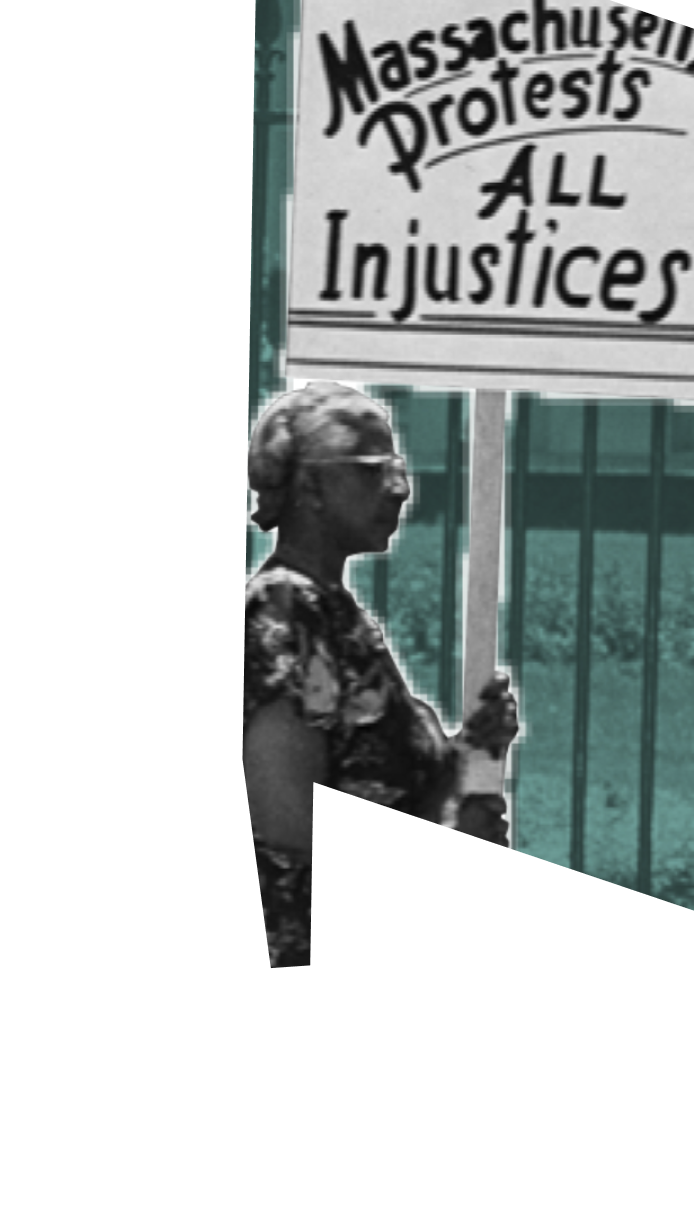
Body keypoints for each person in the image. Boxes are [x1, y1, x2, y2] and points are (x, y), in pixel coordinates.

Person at [244, 383, 518, 967]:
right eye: (371, 470)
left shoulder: (335, 614)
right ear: (312, 486)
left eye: (397, 467)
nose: (399, 487)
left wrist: (469, 753)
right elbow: (289, 836)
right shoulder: (281, 617)